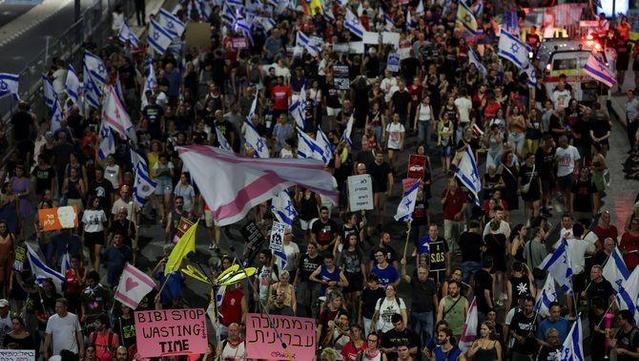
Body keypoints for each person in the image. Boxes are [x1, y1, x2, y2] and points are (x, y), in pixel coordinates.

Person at [399, 258, 438, 346]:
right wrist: (403, 265)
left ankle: (428, 352)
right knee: (416, 335)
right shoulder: (414, 280)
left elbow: (434, 297)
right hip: (415, 313)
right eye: (420, 273)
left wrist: (437, 310)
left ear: (427, 274)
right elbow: (404, 275)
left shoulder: (431, 283)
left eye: (424, 273)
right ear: (417, 273)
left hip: (428, 313)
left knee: (429, 335)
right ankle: (417, 352)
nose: (422, 275)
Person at [509, 296, 537, 361]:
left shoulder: (537, 318)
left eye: (530, 306)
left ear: (533, 306)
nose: (527, 308)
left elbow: (540, 335)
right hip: (518, 350)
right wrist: (518, 337)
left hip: (532, 352)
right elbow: (511, 330)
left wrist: (534, 336)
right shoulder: (517, 316)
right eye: (526, 305)